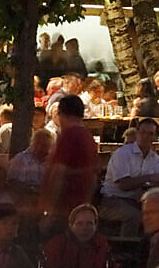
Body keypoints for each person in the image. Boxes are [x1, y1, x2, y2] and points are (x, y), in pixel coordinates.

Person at [41, 95, 101, 225]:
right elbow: (93, 176)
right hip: (80, 206)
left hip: (64, 209)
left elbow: (58, 173)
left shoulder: (69, 136)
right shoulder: (88, 137)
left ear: (61, 114)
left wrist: (49, 211)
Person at [37, 204, 104, 268]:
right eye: (79, 224)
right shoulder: (57, 245)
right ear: (71, 225)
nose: (85, 228)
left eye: (90, 223)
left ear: (96, 226)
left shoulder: (101, 245)